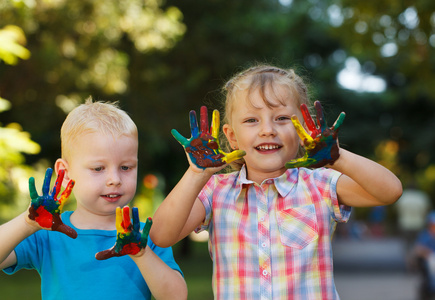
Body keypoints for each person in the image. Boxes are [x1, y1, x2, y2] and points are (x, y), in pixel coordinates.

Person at [150, 65, 403, 299]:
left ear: (303, 128)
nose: (267, 129)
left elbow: (389, 192)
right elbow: (161, 236)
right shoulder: (215, 191)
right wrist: (196, 173)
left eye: (282, 118)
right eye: (252, 120)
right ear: (232, 136)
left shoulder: (319, 185)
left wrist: (338, 157)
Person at [0, 98, 187, 300]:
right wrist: (27, 224)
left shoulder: (147, 237)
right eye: (98, 168)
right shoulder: (47, 233)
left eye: (126, 167)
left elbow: (176, 297)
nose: (114, 180)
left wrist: (141, 255)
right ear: (65, 173)